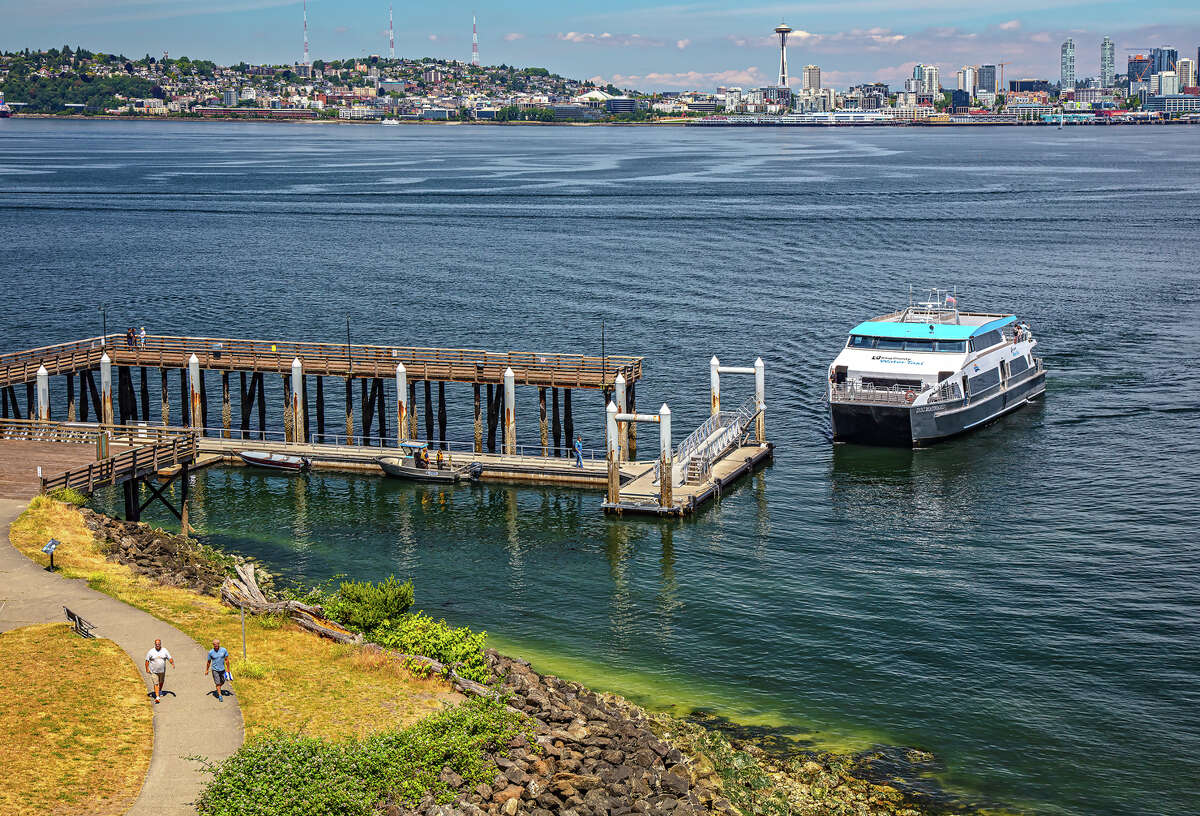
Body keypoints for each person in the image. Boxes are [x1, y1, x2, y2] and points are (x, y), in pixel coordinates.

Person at [144, 638, 174, 704]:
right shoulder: (151, 651)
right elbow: (147, 660)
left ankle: (160, 690)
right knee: (156, 683)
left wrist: (172, 663)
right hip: (154, 671)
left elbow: (169, 657)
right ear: (155, 644)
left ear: (160, 644)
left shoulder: (164, 650)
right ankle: (157, 697)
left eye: (159, 644)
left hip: (162, 671)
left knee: (161, 682)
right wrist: (147, 668)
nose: (157, 645)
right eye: (156, 644)